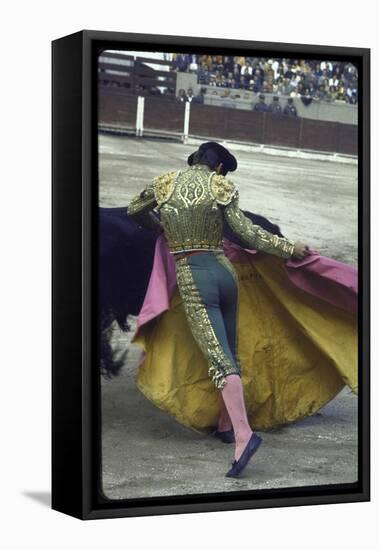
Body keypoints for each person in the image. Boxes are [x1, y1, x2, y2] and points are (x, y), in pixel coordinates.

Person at [127, 142, 310, 477]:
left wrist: (163, 229)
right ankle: (227, 426)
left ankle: (244, 435)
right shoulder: (221, 186)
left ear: (194, 160)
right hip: (225, 274)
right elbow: (246, 233)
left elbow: (134, 210)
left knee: (218, 357)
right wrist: (288, 248)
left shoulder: (165, 183)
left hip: (194, 276)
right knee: (230, 349)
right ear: (220, 168)